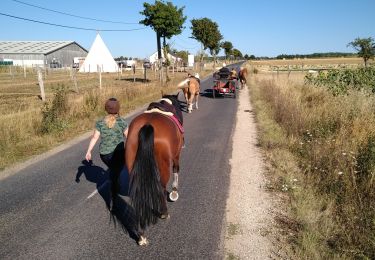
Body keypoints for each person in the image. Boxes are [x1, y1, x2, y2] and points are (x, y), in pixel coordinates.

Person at [85, 98, 128, 181]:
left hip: (104, 154)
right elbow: (129, 137)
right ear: (118, 108)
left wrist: (88, 151)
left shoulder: (100, 122)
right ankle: (114, 186)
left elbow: (94, 138)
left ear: (106, 109)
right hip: (118, 153)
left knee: (113, 169)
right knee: (118, 170)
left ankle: (114, 180)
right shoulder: (122, 122)